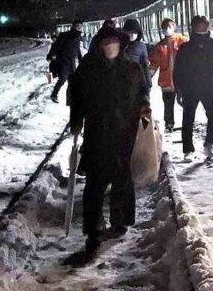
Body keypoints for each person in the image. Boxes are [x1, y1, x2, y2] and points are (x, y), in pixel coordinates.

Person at [66, 25, 150, 264]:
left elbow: (143, 92)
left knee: (122, 179)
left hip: (125, 133)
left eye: (114, 42)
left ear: (121, 45)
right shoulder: (89, 69)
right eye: (105, 43)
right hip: (97, 134)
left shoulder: (132, 69)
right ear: (99, 46)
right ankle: (93, 232)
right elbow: (77, 99)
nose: (110, 46)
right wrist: (76, 122)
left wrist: (144, 106)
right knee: (95, 184)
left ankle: (120, 221)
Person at [173, 15, 213, 160]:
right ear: (193, 28)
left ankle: (209, 144)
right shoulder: (186, 47)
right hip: (190, 88)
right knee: (188, 118)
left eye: (204, 26)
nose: (202, 29)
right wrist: (178, 88)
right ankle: (188, 149)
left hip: (207, 86)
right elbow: (179, 69)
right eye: (199, 27)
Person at [149, 18, 188, 132]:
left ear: (174, 27)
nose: (167, 29)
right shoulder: (159, 46)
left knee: (185, 102)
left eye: (169, 27)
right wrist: (147, 77)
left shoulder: (183, 41)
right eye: (165, 28)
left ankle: (188, 122)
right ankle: (169, 124)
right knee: (168, 104)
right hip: (166, 81)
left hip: (182, 80)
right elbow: (154, 64)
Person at [46, 19, 84, 103]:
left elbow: (78, 50)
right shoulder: (64, 35)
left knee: (72, 81)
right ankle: (54, 94)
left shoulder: (77, 38)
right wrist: (50, 55)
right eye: (78, 27)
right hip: (62, 61)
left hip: (72, 62)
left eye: (81, 27)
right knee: (63, 78)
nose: (79, 29)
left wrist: (81, 60)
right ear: (73, 26)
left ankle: (70, 100)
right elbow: (55, 46)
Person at [122, 18, 151, 105]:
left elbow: (145, 65)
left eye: (134, 32)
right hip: (123, 82)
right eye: (129, 32)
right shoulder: (120, 45)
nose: (132, 35)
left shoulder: (141, 46)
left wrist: (148, 83)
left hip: (137, 81)